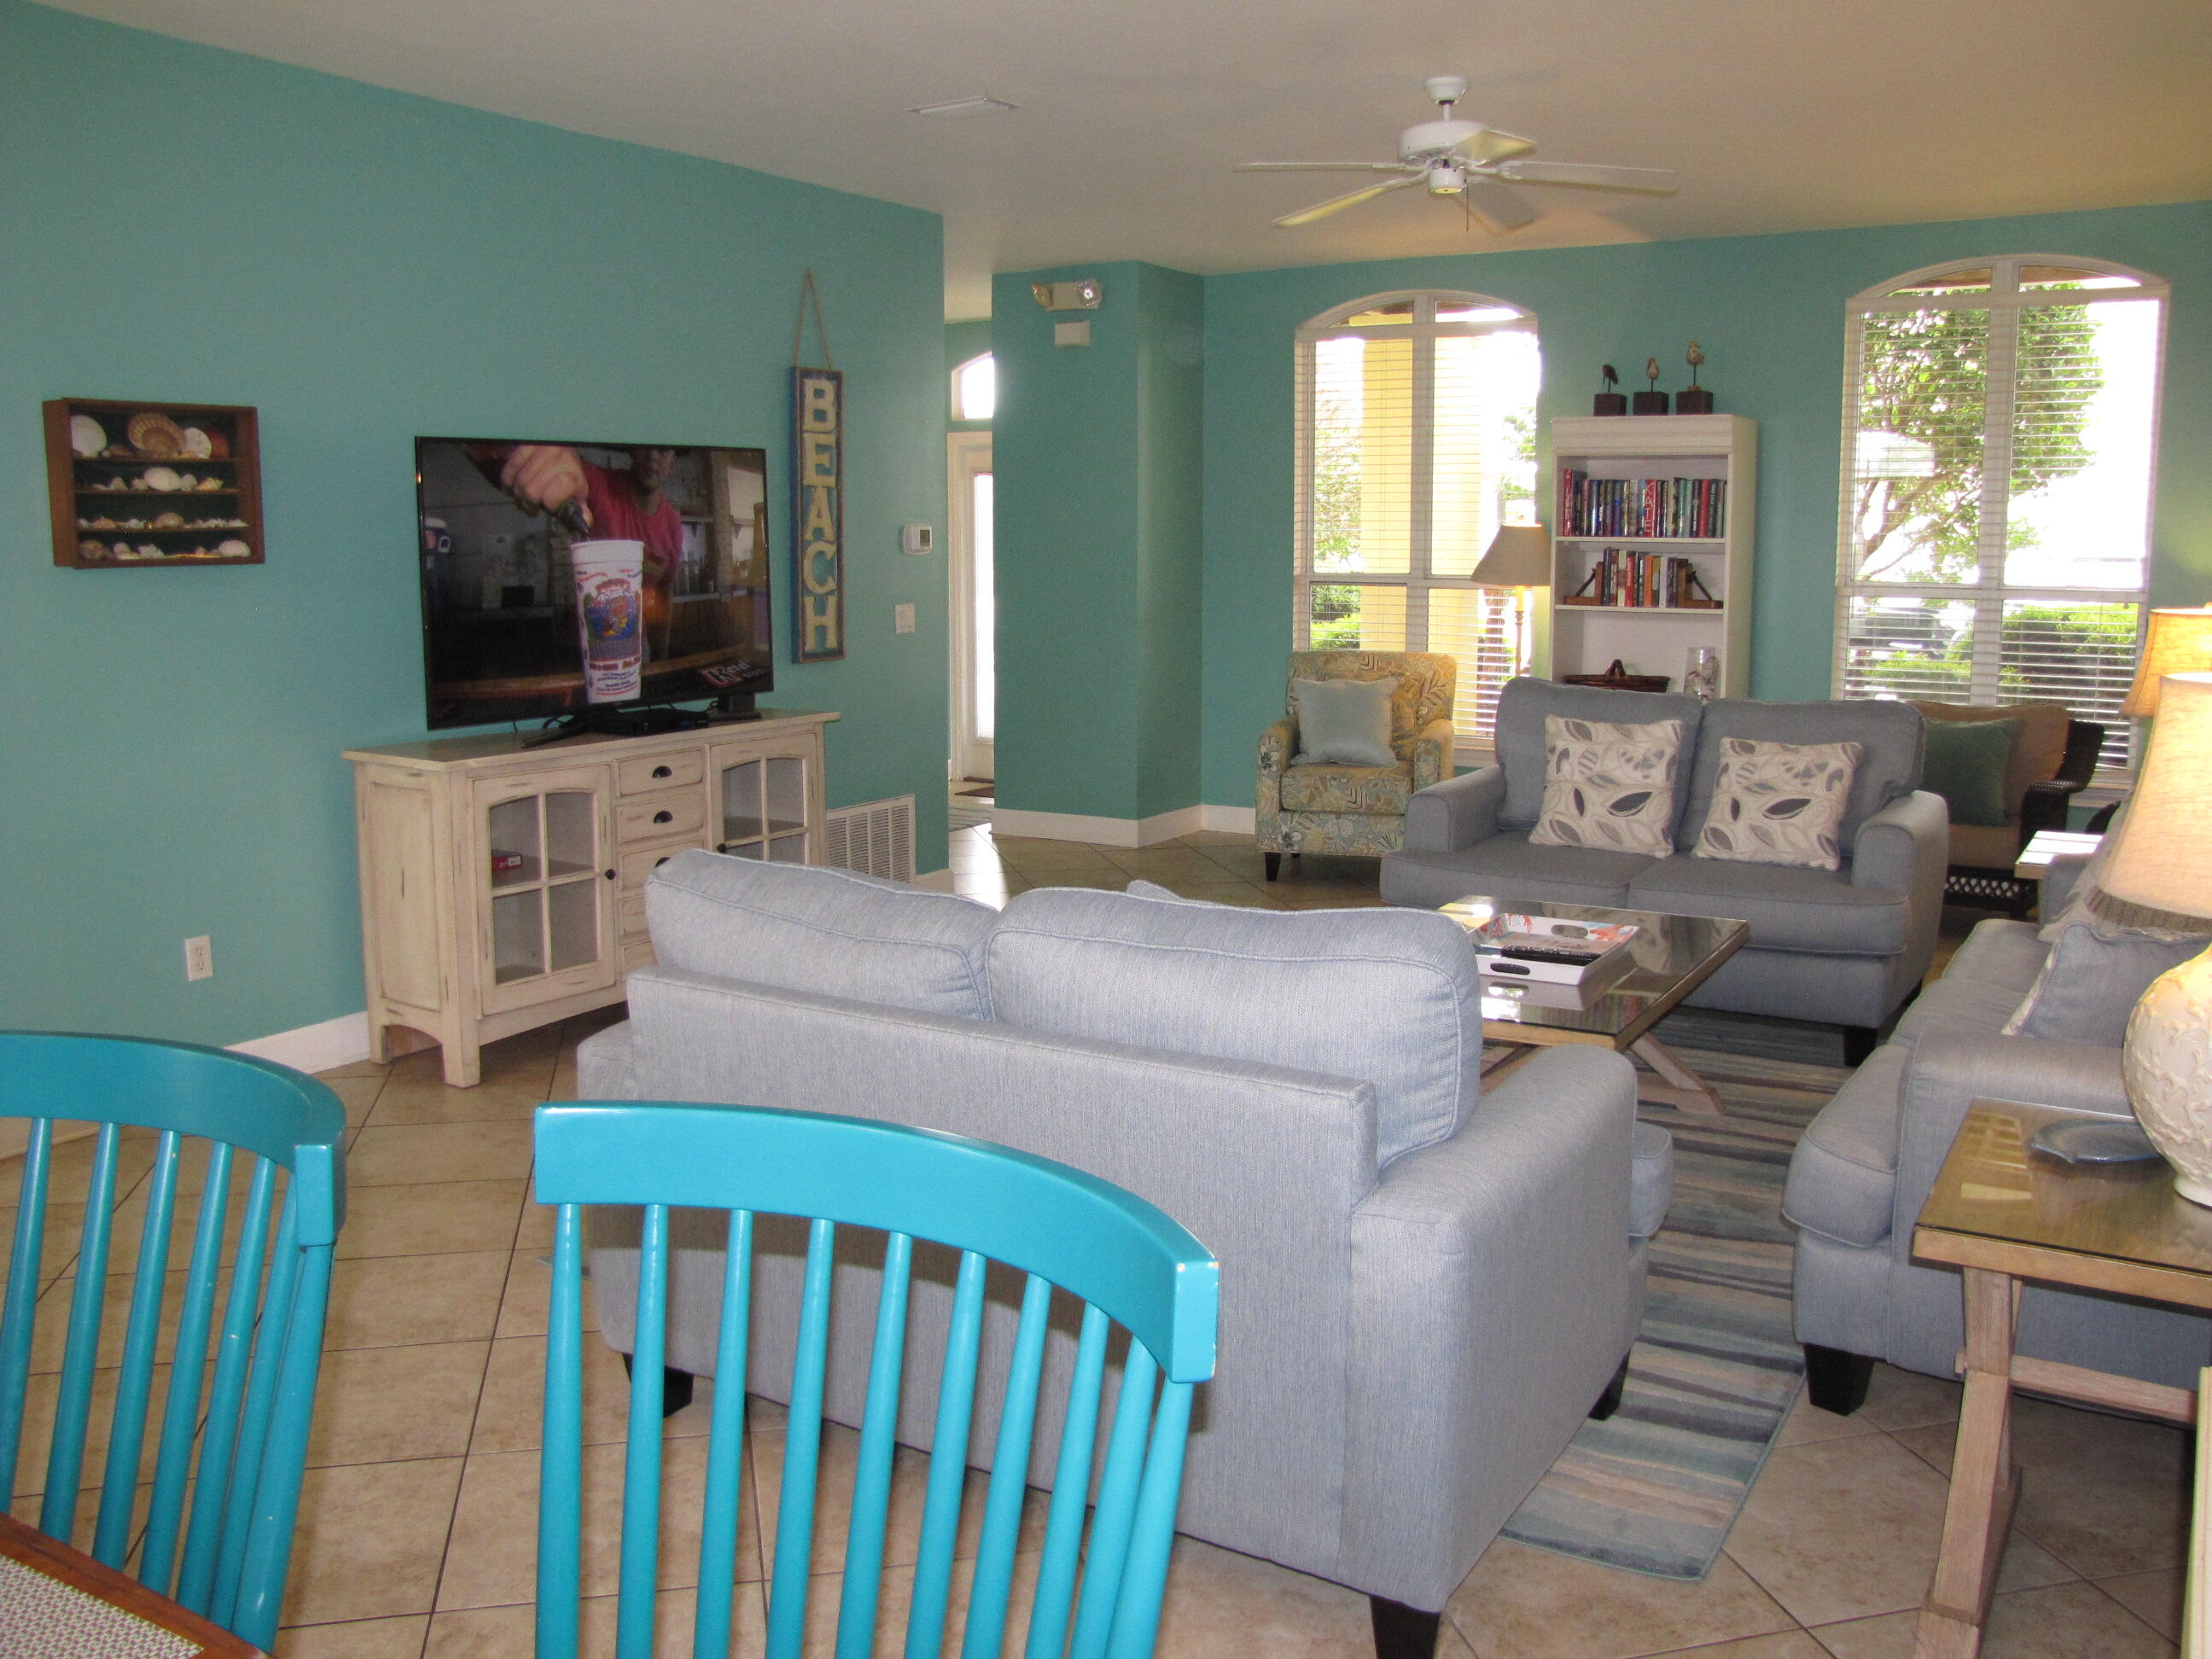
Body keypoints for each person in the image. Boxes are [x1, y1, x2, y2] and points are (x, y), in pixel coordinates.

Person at [495, 445, 685, 634]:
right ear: (632, 452)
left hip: (635, 643)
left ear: (673, 463)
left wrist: (663, 659)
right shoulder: (598, 483)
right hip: (584, 641)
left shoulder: (672, 524)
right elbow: (566, 471)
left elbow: (664, 594)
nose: (652, 456)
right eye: (643, 447)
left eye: (662, 449)